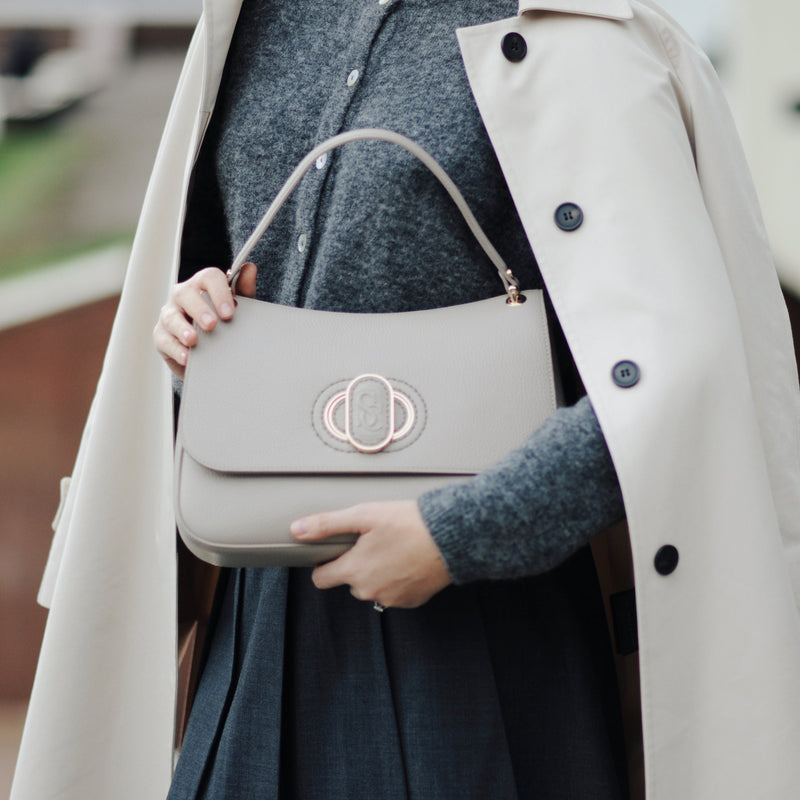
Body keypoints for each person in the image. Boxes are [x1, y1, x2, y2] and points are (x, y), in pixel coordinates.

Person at [12, 2, 800, 799]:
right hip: (257, 612)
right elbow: (226, 276)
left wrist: (462, 534)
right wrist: (192, 325)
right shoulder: (258, 18)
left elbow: (680, 373)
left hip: (486, 637)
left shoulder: (583, 33)